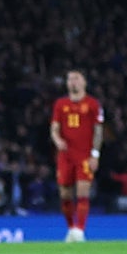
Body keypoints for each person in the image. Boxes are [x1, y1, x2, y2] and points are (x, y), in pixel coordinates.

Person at [50, 69, 103, 242]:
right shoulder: (60, 104)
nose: (73, 82)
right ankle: (71, 228)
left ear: (84, 82)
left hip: (84, 156)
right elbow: (54, 128)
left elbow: (98, 131)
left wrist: (95, 154)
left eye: (76, 78)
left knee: (82, 192)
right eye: (69, 79)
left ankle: (80, 229)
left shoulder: (93, 104)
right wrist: (57, 140)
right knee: (65, 194)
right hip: (65, 156)